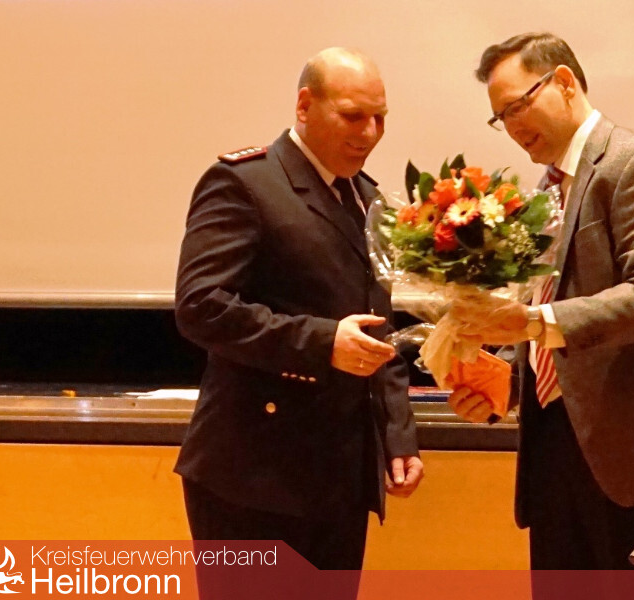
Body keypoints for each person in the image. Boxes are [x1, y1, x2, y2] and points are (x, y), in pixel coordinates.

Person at [448, 33, 634, 573]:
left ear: (565, 82)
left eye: (518, 106)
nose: (513, 126)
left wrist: (533, 321)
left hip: (632, 454)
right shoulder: (546, 191)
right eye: (501, 117)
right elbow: (547, 310)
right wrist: (503, 384)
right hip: (554, 450)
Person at [173, 47, 424, 574]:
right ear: (305, 105)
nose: (371, 132)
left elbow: (379, 329)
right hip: (253, 474)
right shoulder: (245, 182)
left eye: (380, 117)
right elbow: (201, 305)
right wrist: (323, 341)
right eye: (353, 116)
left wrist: (396, 434)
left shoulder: (368, 197)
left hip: (340, 475)